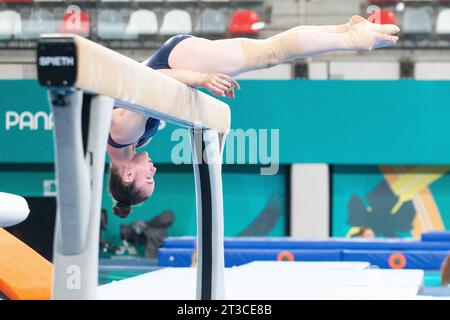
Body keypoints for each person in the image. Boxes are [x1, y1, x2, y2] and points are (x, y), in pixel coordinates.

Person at [108, 15, 400, 218]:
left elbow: (153, 79)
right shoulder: (131, 143)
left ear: (129, 174)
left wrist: (202, 79)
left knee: (270, 53)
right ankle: (343, 30)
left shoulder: (123, 133)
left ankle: (350, 39)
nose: (154, 172)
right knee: (268, 50)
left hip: (172, 62)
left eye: (148, 179)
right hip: (176, 58)